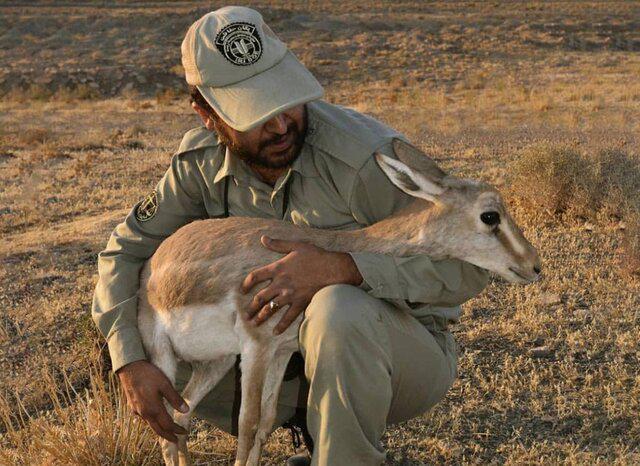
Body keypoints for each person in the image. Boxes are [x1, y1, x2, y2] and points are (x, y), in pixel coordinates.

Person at [91, 6, 489, 466]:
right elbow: (123, 253)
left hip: (397, 353)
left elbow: (469, 267)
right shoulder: (197, 165)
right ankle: (316, 434)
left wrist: (349, 269)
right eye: (255, 113)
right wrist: (128, 360)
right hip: (274, 356)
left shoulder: (362, 160)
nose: (281, 125)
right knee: (142, 327)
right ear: (206, 114)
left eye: (285, 101)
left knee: (337, 308)